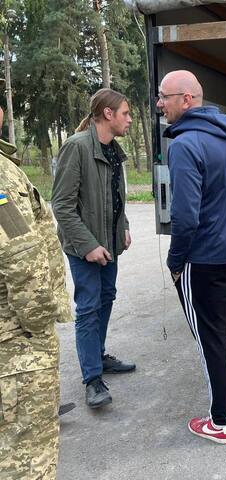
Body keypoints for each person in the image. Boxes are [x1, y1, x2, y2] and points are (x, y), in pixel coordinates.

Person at [157, 70, 226, 445]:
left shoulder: (184, 146)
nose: (160, 104)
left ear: (186, 99)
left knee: (212, 338)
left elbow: (185, 216)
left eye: (164, 97)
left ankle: (220, 422)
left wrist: (175, 261)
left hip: (204, 259)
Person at [0, 105, 73, 479]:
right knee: (26, 460)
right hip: (16, 347)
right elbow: (21, 253)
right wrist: (40, 325)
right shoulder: (1, 176)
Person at [52, 88, 136, 409]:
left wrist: (124, 225)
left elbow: (115, 196)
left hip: (109, 243)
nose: (130, 119)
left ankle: (98, 356)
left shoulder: (113, 150)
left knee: (106, 296)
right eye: (126, 113)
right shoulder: (77, 147)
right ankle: (92, 380)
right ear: (108, 114)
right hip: (83, 246)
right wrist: (88, 245)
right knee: (88, 307)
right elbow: (62, 205)